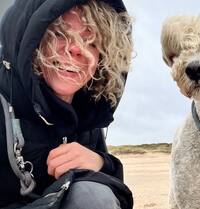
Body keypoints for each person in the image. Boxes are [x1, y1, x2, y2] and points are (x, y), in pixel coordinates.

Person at [0, 0, 133, 208]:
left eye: (91, 42)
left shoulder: (86, 113)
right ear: (30, 42)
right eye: (60, 35)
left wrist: (100, 163)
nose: (76, 49)